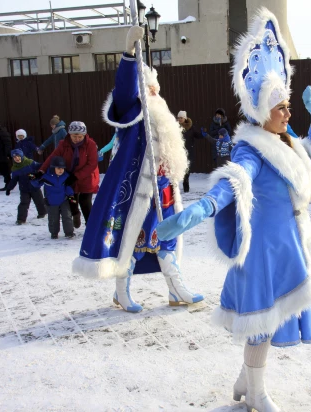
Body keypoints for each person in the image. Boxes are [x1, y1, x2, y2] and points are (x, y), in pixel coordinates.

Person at [156, 10, 311, 412]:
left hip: (290, 243)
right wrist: (205, 206)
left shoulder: (287, 139)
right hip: (264, 250)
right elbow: (237, 179)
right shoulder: (251, 146)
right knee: (261, 324)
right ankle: (256, 394)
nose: (287, 112)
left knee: (273, 320)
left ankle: (247, 380)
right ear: (263, 111)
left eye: (288, 105)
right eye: (281, 107)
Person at [72, 25, 204, 313]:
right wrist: (129, 54)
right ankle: (122, 292)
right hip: (137, 192)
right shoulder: (133, 110)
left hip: (164, 188)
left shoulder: (162, 111)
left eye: (155, 85)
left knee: (167, 237)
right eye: (148, 85)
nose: (154, 89)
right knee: (132, 240)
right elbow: (122, 93)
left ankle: (175, 289)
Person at [38, 121, 99, 228]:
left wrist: (76, 176)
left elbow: (92, 164)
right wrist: (41, 170)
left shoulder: (91, 145)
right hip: (69, 175)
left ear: (84, 135)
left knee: (85, 201)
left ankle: (91, 226)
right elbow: (53, 157)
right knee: (71, 198)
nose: (77, 139)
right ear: (69, 134)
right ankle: (75, 214)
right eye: (74, 136)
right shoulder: (63, 144)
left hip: (87, 176)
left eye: (80, 136)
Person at [32, 156, 75, 239]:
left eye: (62, 168)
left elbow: (67, 186)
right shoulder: (46, 177)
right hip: (51, 202)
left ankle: (69, 232)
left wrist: (71, 195)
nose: (61, 170)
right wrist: (32, 177)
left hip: (63, 200)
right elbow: (36, 184)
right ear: (53, 167)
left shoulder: (65, 176)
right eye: (58, 168)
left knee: (67, 216)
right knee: (53, 218)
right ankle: (54, 233)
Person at [5, 148, 47, 224]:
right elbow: (13, 180)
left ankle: (42, 213)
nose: (17, 158)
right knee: (23, 204)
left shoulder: (30, 163)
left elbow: (40, 166)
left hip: (35, 187)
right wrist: (9, 188)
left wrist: (46, 165)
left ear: (22, 156)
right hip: (24, 190)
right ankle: (21, 219)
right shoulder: (14, 169)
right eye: (14, 157)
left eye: (18, 156)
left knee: (40, 202)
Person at [177, 111, 204, 192]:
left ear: (185, 118)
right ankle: (174, 187)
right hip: (179, 151)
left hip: (188, 151)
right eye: (178, 118)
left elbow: (197, 135)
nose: (179, 119)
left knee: (187, 170)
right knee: (178, 169)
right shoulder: (176, 127)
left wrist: (202, 134)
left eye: (181, 118)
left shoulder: (191, 127)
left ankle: (186, 186)